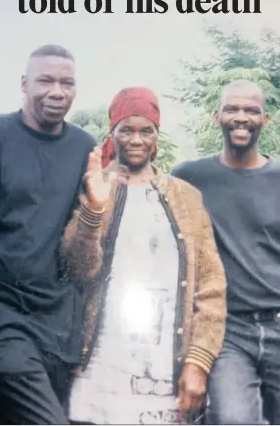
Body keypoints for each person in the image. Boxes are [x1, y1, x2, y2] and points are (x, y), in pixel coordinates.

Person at [59, 87, 227, 425]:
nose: (136, 139)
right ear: (113, 134)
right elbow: (76, 271)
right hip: (99, 371)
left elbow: (211, 286)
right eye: (127, 130)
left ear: (157, 136)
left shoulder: (186, 198)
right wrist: (94, 209)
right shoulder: (92, 186)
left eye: (145, 130)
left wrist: (198, 361)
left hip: (164, 368)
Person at [0, 44, 96, 424]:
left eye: (67, 83)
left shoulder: (83, 147)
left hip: (56, 325)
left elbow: (83, 237)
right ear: (24, 84)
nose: (57, 91)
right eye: (45, 80)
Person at [171, 79, 280, 424]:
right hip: (228, 330)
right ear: (217, 115)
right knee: (233, 420)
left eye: (251, 110)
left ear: (267, 119)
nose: (241, 117)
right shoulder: (189, 177)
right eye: (232, 108)